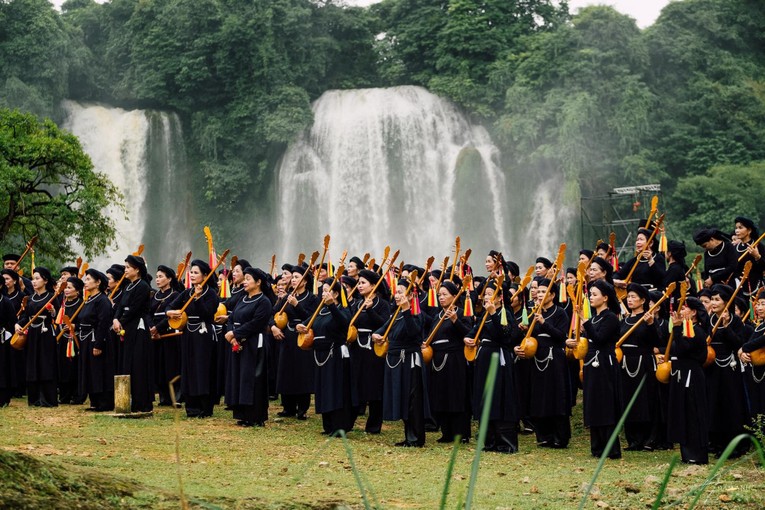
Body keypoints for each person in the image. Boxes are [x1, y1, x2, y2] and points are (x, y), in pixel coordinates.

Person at [465, 279, 520, 453]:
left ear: (499, 297)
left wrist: (495, 314)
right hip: (484, 357)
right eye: (486, 294)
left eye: (491, 294)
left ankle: (504, 442)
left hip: (499, 357)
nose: (487, 297)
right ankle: (488, 441)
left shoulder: (504, 313)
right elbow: (474, 332)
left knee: (500, 397)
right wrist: (468, 338)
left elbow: (507, 337)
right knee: (485, 395)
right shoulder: (484, 315)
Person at [516, 277, 571, 449]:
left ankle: (560, 437)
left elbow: (561, 336)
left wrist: (543, 323)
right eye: (538, 292)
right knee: (539, 397)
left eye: (543, 292)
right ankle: (544, 436)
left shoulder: (559, 313)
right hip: (537, 358)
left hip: (554, 357)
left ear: (552, 295)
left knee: (555, 397)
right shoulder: (534, 312)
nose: (539, 295)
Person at [373, 277, 427, 447]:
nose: (397, 295)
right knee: (404, 397)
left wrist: (406, 309)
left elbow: (414, 333)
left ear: (411, 295)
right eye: (396, 292)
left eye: (401, 292)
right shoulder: (395, 314)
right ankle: (408, 435)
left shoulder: (415, 313)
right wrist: (376, 336)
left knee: (413, 399)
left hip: (410, 360)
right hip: (396, 360)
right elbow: (381, 330)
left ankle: (416, 437)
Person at [297, 276, 354, 435]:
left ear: (335, 294)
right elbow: (308, 323)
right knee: (323, 389)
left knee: (335, 389)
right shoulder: (320, 310)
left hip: (334, 352)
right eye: (323, 290)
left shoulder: (342, 309)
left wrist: (332, 306)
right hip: (320, 353)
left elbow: (344, 323)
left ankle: (339, 425)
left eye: (327, 290)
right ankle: (328, 425)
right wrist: (300, 326)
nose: (323, 293)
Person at [573, 279, 622, 459]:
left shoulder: (610, 317)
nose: (591, 298)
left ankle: (611, 448)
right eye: (590, 294)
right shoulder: (594, 318)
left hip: (605, 363)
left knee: (606, 404)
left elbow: (600, 339)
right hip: (591, 363)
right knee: (594, 404)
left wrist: (585, 322)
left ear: (605, 297)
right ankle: (597, 447)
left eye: (595, 295)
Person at [167, 260, 220, 418]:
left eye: (196, 272)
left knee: (202, 369)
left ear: (205, 275)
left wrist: (198, 299)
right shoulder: (186, 292)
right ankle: (191, 407)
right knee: (188, 368)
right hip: (188, 334)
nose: (192, 275)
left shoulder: (211, 293)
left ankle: (205, 407)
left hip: (204, 335)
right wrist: (170, 313)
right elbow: (170, 306)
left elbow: (207, 313)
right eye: (192, 272)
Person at [225, 267, 275, 427]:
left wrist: (235, 334)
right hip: (239, 342)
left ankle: (255, 416)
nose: (244, 282)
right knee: (240, 377)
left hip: (254, 344)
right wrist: (232, 335)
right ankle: (242, 414)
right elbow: (231, 318)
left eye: (248, 279)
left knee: (253, 379)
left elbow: (256, 323)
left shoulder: (264, 301)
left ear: (258, 282)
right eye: (244, 279)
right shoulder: (242, 298)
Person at [426, 280, 472, 443]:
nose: (441, 297)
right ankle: (446, 432)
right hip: (438, 359)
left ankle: (461, 433)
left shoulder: (461, 313)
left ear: (454, 296)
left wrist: (455, 320)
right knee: (441, 395)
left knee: (456, 396)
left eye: (445, 294)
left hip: (455, 358)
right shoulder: (436, 316)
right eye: (439, 295)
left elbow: (469, 334)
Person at [705, 284, 748, 457]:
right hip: (714, 366)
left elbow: (739, 343)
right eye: (712, 300)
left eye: (717, 300)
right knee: (715, 404)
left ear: (726, 301)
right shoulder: (709, 319)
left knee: (731, 405)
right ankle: (717, 443)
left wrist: (726, 326)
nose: (713, 303)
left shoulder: (735, 320)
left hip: (730, 366)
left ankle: (734, 445)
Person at [666, 297, 710, 464]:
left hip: (692, 376)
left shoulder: (697, 331)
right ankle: (687, 453)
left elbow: (685, 348)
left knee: (693, 412)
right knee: (683, 412)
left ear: (693, 312)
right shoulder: (685, 329)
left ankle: (697, 454)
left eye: (684, 308)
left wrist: (677, 329)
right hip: (681, 374)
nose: (680, 311)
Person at [272, 265, 317, 420]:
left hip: (303, 337)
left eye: (297, 277)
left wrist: (296, 304)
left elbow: (311, 317)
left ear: (304, 281)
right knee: (286, 370)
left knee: (302, 372)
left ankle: (302, 408)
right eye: (293, 277)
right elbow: (273, 313)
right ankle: (288, 407)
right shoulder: (287, 297)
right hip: (288, 336)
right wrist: (273, 327)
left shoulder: (312, 298)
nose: (293, 280)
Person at [348, 269, 390, 434]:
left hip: (374, 348)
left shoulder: (383, 304)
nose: (359, 286)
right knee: (355, 383)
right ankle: (348, 422)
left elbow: (385, 325)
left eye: (363, 283)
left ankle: (373, 425)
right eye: (358, 283)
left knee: (374, 386)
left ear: (374, 285)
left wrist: (371, 310)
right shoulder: (356, 304)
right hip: (357, 347)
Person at [618, 283, 659, 450]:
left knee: (645, 400)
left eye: (634, 297)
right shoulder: (624, 320)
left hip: (644, 362)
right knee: (628, 400)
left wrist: (650, 324)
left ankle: (649, 439)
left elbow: (656, 341)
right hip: (626, 362)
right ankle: (633, 439)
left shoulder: (648, 318)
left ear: (643, 300)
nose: (630, 300)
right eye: (628, 297)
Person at [113, 255, 154, 413]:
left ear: (137, 269)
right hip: (126, 328)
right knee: (127, 363)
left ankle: (142, 403)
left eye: (128, 267)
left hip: (138, 327)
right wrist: (116, 319)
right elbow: (120, 306)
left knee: (139, 364)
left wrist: (121, 320)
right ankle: (128, 400)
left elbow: (134, 309)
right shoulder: (127, 286)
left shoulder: (143, 286)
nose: (125, 270)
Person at [15, 267, 58, 407]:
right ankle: (34, 399)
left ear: (45, 280)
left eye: (37, 278)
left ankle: (47, 398)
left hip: (45, 334)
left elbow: (58, 317)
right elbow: (25, 317)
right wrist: (18, 325)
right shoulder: (30, 298)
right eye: (33, 279)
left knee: (46, 364)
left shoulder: (52, 296)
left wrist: (53, 311)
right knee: (32, 364)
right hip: (32, 335)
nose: (34, 281)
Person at [78, 269, 115, 412]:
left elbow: (103, 323)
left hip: (97, 339)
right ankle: (94, 401)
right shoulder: (89, 300)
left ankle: (104, 402)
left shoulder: (103, 300)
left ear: (98, 282)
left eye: (88, 279)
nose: (85, 282)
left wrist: (98, 343)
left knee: (99, 370)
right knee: (89, 370)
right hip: (86, 338)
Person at [150, 265, 183, 406]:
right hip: (154, 335)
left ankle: (174, 395)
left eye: (161, 277)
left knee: (171, 365)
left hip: (168, 334)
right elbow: (148, 314)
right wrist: (151, 327)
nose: (157, 280)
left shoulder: (175, 295)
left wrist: (157, 328)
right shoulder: (153, 296)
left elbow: (172, 316)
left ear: (169, 279)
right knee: (158, 366)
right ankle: (163, 396)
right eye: (157, 277)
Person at [738, 289, 765, 425]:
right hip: (756, 374)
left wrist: (744, 348)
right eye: (758, 304)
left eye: (763, 304)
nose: (759, 307)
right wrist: (741, 352)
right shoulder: (759, 326)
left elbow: (759, 342)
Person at [57, 276, 85, 405]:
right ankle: (64, 395)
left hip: (76, 339)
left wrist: (75, 326)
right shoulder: (62, 304)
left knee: (74, 367)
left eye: (69, 288)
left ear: (77, 290)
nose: (66, 290)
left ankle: (77, 395)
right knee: (63, 367)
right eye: (66, 288)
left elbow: (86, 321)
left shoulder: (82, 304)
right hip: (62, 339)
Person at [614, 226, 666, 291]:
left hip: (653, 294)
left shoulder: (658, 258)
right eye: (637, 240)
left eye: (641, 239)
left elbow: (661, 277)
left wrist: (650, 260)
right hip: (636, 295)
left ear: (650, 243)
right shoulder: (634, 261)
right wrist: (615, 281)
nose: (638, 242)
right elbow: (619, 274)